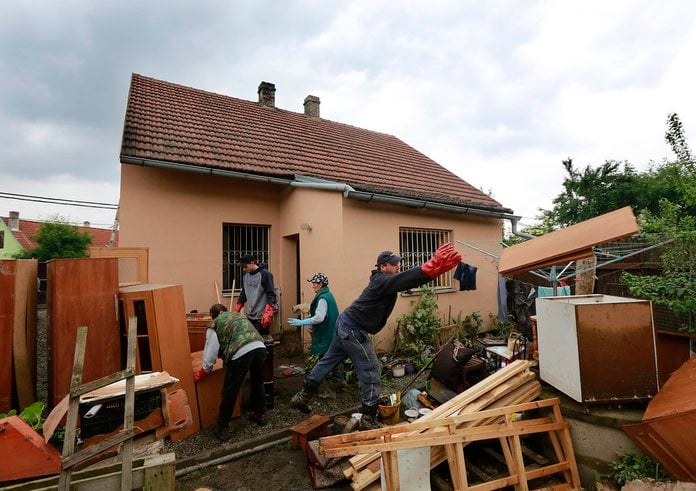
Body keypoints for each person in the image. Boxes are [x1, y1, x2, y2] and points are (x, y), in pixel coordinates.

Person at [290, 243, 461, 429]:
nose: (398, 266)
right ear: (383, 267)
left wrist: (435, 271)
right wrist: (431, 265)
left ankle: (302, 396)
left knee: (327, 362)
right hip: (353, 329)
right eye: (394, 264)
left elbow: (407, 281)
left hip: (345, 323)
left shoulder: (384, 281)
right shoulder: (382, 280)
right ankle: (368, 419)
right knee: (371, 371)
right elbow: (405, 279)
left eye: (398, 263)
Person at [193, 304, 268, 441]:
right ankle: (260, 414)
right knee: (257, 381)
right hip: (260, 347)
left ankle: (222, 428)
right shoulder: (238, 315)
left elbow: (211, 352)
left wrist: (204, 370)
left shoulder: (215, 324)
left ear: (213, 316)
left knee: (230, 391)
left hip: (241, 352)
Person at [287, 273, 344, 395]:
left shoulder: (323, 298)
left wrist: (302, 322)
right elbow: (321, 314)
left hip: (326, 334)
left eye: (314, 283)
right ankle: (338, 383)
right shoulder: (327, 295)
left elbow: (319, 318)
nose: (313, 286)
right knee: (332, 358)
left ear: (320, 284)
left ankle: (328, 390)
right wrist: (309, 317)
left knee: (326, 361)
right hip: (332, 333)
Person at [235, 254, 278, 335]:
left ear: (252, 263)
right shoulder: (245, 275)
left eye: (245, 267)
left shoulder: (265, 274)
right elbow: (244, 292)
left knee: (263, 341)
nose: (244, 269)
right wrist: (239, 305)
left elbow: (271, 294)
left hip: (262, 316)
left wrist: (268, 312)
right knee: (251, 339)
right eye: (242, 267)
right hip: (250, 314)